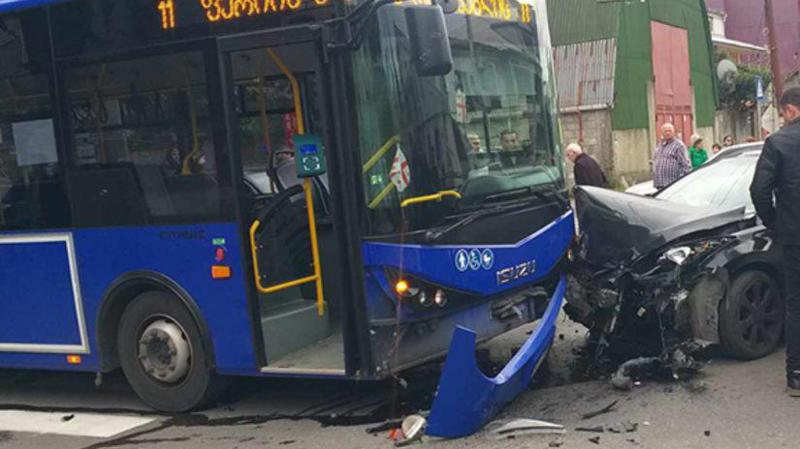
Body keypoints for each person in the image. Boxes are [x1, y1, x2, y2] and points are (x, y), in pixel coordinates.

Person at [749, 87, 800, 397]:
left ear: (790, 110)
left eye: (782, 113)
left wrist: (774, 222)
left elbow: (759, 190)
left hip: (794, 236)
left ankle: (795, 374)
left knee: (796, 303)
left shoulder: (777, 142)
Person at [652, 123, 691, 189]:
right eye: (665, 131)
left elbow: (685, 165)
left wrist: (682, 182)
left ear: (674, 132)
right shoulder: (660, 145)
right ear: (662, 133)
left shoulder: (678, 145)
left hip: (672, 184)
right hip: (660, 184)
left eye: (669, 131)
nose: (668, 133)